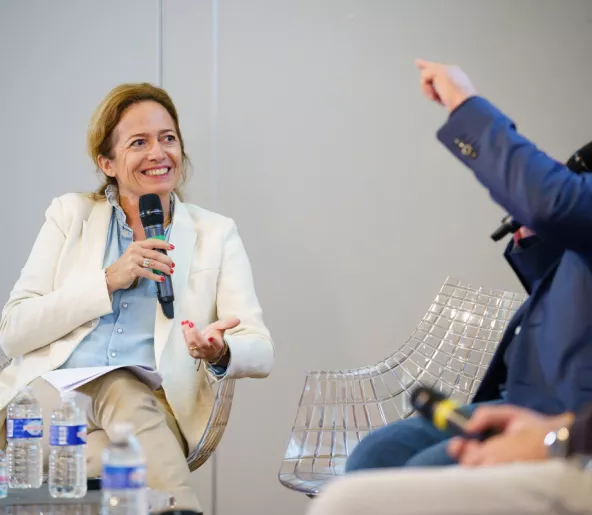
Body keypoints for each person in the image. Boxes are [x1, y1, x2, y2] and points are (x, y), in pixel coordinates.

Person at [0, 83, 275, 510]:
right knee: (115, 382)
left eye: (168, 138)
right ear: (106, 162)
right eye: (139, 143)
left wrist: (220, 352)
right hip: (50, 403)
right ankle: (183, 508)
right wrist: (107, 280)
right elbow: (13, 332)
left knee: (114, 450)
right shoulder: (69, 216)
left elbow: (260, 349)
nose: (158, 153)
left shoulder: (214, 234)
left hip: (150, 411)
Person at [346, 59, 592, 472]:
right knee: (376, 455)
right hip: (521, 396)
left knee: (422, 477)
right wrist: (539, 248)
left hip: (568, 413)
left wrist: (463, 102)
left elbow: (550, 202)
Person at [307, 403, 592, 515]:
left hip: (579, 430)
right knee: (373, 456)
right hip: (538, 389)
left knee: (348, 504)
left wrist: (559, 437)